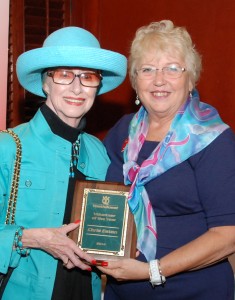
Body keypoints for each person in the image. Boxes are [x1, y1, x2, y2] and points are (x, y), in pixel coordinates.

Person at [99, 20, 235, 299]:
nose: (159, 80)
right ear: (135, 81)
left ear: (191, 79)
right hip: (121, 290)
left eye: (172, 68)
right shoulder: (122, 131)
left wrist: (152, 270)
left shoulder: (212, 139)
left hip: (193, 290)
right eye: (147, 69)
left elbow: (227, 234)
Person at [0, 26, 126, 300]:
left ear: (98, 85)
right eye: (65, 75)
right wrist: (31, 238)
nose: (77, 88)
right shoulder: (8, 147)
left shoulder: (98, 151)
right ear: (45, 82)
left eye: (88, 76)